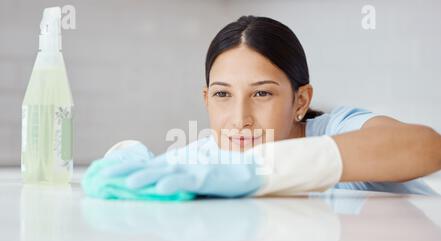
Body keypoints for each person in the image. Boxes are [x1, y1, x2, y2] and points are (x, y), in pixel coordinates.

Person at [84, 16, 441, 199]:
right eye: (223, 95)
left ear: (301, 100)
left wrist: (265, 169)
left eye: (262, 94)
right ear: (207, 100)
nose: (240, 120)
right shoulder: (212, 159)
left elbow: (427, 147)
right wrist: (126, 156)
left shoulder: (335, 130)